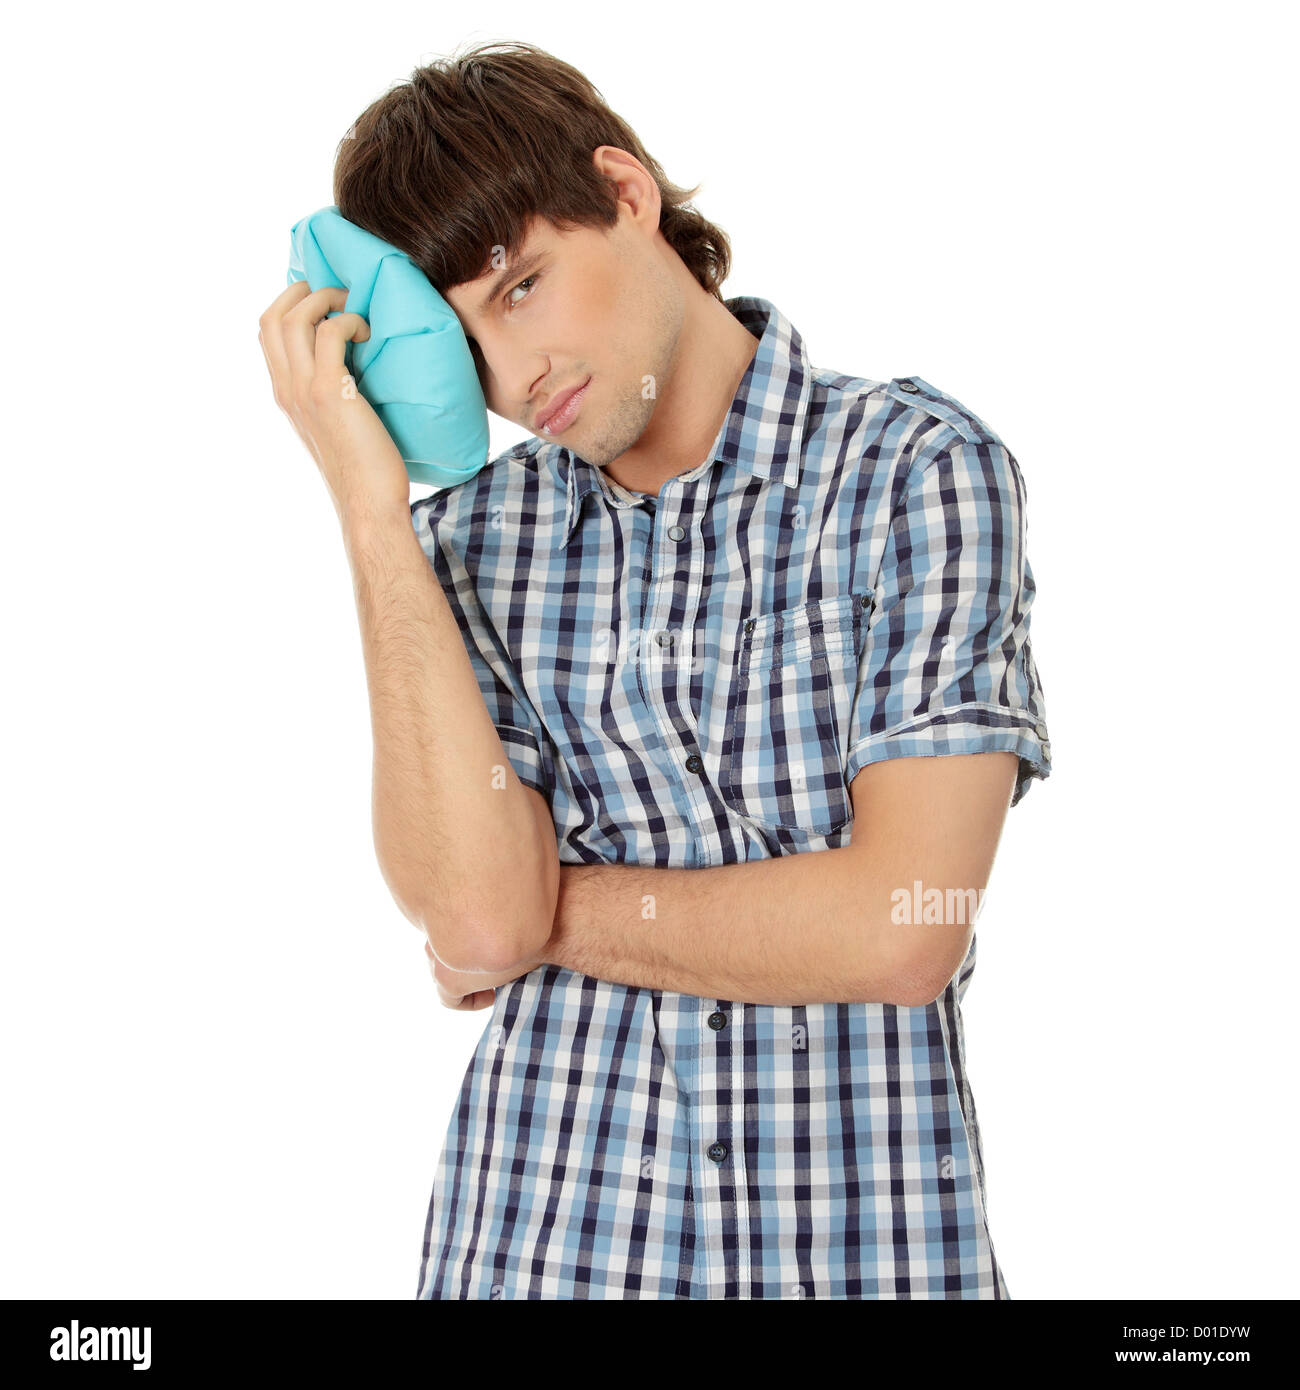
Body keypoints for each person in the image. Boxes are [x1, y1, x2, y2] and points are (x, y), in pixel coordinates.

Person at [257, 40, 1052, 1300]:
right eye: (460, 344)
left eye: (519, 287)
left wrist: (550, 919)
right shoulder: (465, 546)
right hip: (539, 1245)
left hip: (863, 1253)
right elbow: (470, 920)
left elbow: (904, 926)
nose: (515, 380)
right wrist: (370, 508)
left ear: (624, 192)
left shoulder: (915, 474)